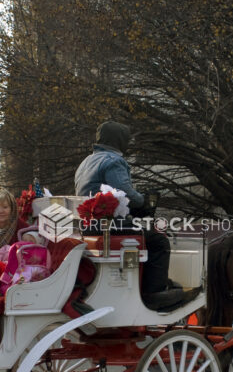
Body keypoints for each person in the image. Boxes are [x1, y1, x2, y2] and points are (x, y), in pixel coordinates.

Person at [74, 120, 182, 309]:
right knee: (158, 240)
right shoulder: (114, 160)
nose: (128, 143)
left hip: (89, 226)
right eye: (126, 139)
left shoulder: (87, 161)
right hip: (108, 225)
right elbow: (127, 193)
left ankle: (145, 283)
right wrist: (145, 201)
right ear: (118, 140)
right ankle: (154, 292)